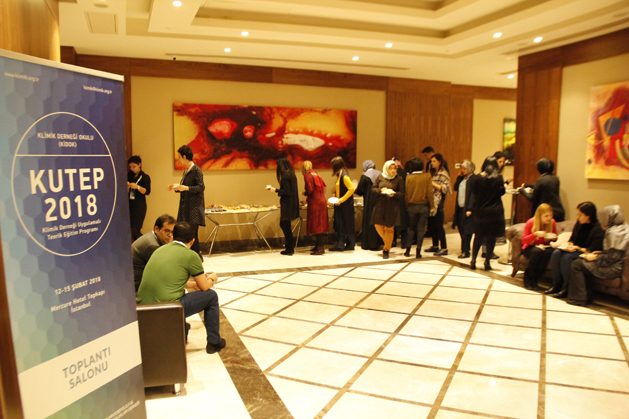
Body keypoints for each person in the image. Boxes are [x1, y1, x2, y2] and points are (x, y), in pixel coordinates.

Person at [137, 221, 225, 354]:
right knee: (211, 296)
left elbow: (168, 279)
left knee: (178, 293)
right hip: (167, 309)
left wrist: (191, 284)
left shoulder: (160, 249)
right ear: (193, 240)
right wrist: (212, 278)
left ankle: (181, 331)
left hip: (143, 307)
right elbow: (204, 287)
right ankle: (214, 343)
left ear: (173, 235)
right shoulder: (191, 255)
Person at [568, 205, 628, 306]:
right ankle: (587, 296)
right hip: (618, 265)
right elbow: (614, 253)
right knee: (582, 263)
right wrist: (600, 253)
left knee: (577, 264)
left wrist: (594, 257)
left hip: (614, 268)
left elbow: (612, 258)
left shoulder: (614, 233)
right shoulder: (624, 228)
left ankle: (579, 298)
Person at [545, 201, 604, 298]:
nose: (577, 217)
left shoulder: (597, 229)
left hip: (585, 253)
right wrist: (569, 244)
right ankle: (556, 285)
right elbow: (572, 239)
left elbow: (593, 250)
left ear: (588, 216)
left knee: (566, 258)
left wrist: (578, 248)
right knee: (556, 253)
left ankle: (566, 288)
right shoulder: (579, 224)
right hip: (574, 250)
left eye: (580, 215)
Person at [468, 156, 505, 270]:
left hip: (481, 211)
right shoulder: (499, 178)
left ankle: (473, 260)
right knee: (491, 237)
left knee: (478, 237)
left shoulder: (477, 178)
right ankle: (487, 262)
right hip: (495, 211)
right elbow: (502, 192)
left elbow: (474, 192)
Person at [170, 145, 206, 258]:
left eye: (179, 157)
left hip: (194, 208)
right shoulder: (187, 170)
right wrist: (177, 187)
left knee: (192, 234)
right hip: (186, 207)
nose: (179, 160)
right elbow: (186, 188)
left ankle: (197, 257)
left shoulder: (196, 170)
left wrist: (185, 188)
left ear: (184, 157)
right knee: (190, 234)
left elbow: (201, 187)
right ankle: (196, 257)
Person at [131, 214, 176, 292]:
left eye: (172, 232)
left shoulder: (152, 237)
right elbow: (167, 269)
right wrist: (170, 245)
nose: (170, 235)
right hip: (136, 286)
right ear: (156, 229)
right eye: (167, 231)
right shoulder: (152, 245)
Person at [520, 204, 558, 290]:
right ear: (539, 216)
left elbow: (555, 237)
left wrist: (554, 238)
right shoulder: (531, 222)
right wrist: (535, 234)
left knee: (550, 252)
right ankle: (528, 279)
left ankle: (536, 280)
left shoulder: (552, 222)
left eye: (551, 215)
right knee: (537, 252)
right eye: (546, 216)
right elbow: (524, 241)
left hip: (545, 246)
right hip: (530, 247)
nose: (549, 218)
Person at [267, 158, 300, 255]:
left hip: (287, 204)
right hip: (292, 203)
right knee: (286, 226)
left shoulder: (285, 176)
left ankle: (289, 249)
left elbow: (287, 192)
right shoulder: (292, 174)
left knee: (285, 225)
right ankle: (290, 248)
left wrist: (275, 190)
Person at [372, 160, 404, 259]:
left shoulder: (399, 179)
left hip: (392, 206)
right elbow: (373, 189)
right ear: (386, 168)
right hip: (380, 205)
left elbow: (402, 193)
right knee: (377, 225)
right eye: (391, 168)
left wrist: (394, 193)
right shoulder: (380, 177)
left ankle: (386, 249)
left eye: (395, 168)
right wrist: (381, 190)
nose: (393, 170)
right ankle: (388, 242)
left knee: (389, 228)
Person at [404, 158, 433, 259]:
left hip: (411, 206)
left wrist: (406, 205)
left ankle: (407, 250)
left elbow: (406, 194)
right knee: (421, 229)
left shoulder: (408, 177)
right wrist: (432, 206)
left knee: (411, 228)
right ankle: (418, 252)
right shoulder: (427, 176)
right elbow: (429, 193)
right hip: (423, 206)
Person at [522, 158, 565, 222]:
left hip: (546, 213)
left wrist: (522, 190)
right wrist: (528, 185)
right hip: (558, 212)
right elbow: (544, 185)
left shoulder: (541, 180)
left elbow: (532, 198)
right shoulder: (555, 179)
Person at [425, 153, 450, 256]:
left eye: (434, 161)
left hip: (439, 202)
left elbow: (445, 189)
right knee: (432, 225)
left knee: (439, 225)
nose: (432, 163)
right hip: (431, 201)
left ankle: (444, 248)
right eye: (431, 161)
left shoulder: (443, 173)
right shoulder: (433, 173)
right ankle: (435, 245)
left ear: (439, 162)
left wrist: (432, 183)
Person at [301, 160, 329, 255]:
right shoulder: (316, 174)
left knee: (317, 225)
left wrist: (305, 193)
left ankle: (320, 248)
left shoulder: (307, 175)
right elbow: (324, 187)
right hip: (322, 200)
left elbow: (310, 189)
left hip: (315, 202)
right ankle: (318, 246)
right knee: (320, 223)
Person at [354, 160, 382, 251]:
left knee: (368, 222)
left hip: (368, 203)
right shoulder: (380, 174)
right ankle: (377, 243)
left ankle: (368, 244)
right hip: (379, 202)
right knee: (378, 222)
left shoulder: (365, 176)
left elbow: (359, 191)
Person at [329, 156, 356, 251]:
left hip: (345, 205)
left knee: (343, 224)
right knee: (344, 224)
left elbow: (351, 189)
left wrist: (341, 200)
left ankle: (341, 245)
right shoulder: (340, 174)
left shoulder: (344, 176)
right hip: (342, 204)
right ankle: (349, 244)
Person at [452, 160, 476, 259]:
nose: (462, 170)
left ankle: (465, 251)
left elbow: (473, 195)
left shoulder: (473, 179)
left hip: (468, 209)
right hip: (460, 207)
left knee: (467, 230)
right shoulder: (462, 178)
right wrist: (459, 176)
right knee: (461, 228)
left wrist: (470, 208)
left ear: (470, 169)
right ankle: (465, 249)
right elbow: (455, 187)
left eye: (464, 168)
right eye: (462, 168)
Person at [127, 155, 151, 241]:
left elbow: (147, 191)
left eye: (134, 166)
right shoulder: (129, 175)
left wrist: (137, 187)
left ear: (139, 164)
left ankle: (145, 242)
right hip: (130, 205)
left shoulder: (145, 177)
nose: (132, 169)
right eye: (130, 167)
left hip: (139, 206)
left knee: (135, 230)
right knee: (130, 229)